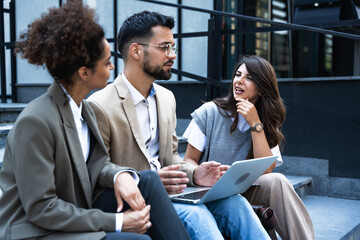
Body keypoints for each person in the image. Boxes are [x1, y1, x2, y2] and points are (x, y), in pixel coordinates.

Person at [0, 2, 190, 240]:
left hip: (76, 212)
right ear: (84, 73)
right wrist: (119, 222)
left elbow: (97, 166)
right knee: (137, 239)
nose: (113, 67)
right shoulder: (36, 121)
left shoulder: (84, 110)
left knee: (148, 180)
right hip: (38, 231)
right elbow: (41, 209)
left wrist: (120, 175)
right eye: (107, 62)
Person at [88, 11, 270, 240]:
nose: (172, 55)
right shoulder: (99, 105)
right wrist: (145, 179)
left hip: (177, 193)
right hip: (136, 199)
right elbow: (97, 169)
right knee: (197, 216)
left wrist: (196, 174)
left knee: (237, 205)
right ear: (136, 51)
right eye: (164, 47)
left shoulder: (166, 99)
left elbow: (172, 158)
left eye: (173, 47)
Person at [183, 55, 315, 240]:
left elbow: (267, 170)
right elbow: (188, 160)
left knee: (278, 181)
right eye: (238, 74)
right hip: (211, 192)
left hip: (246, 191)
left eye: (249, 77)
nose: (239, 80)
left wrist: (255, 124)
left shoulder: (265, 120)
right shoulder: (209, 112)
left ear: (262, 88)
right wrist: (198, 173)